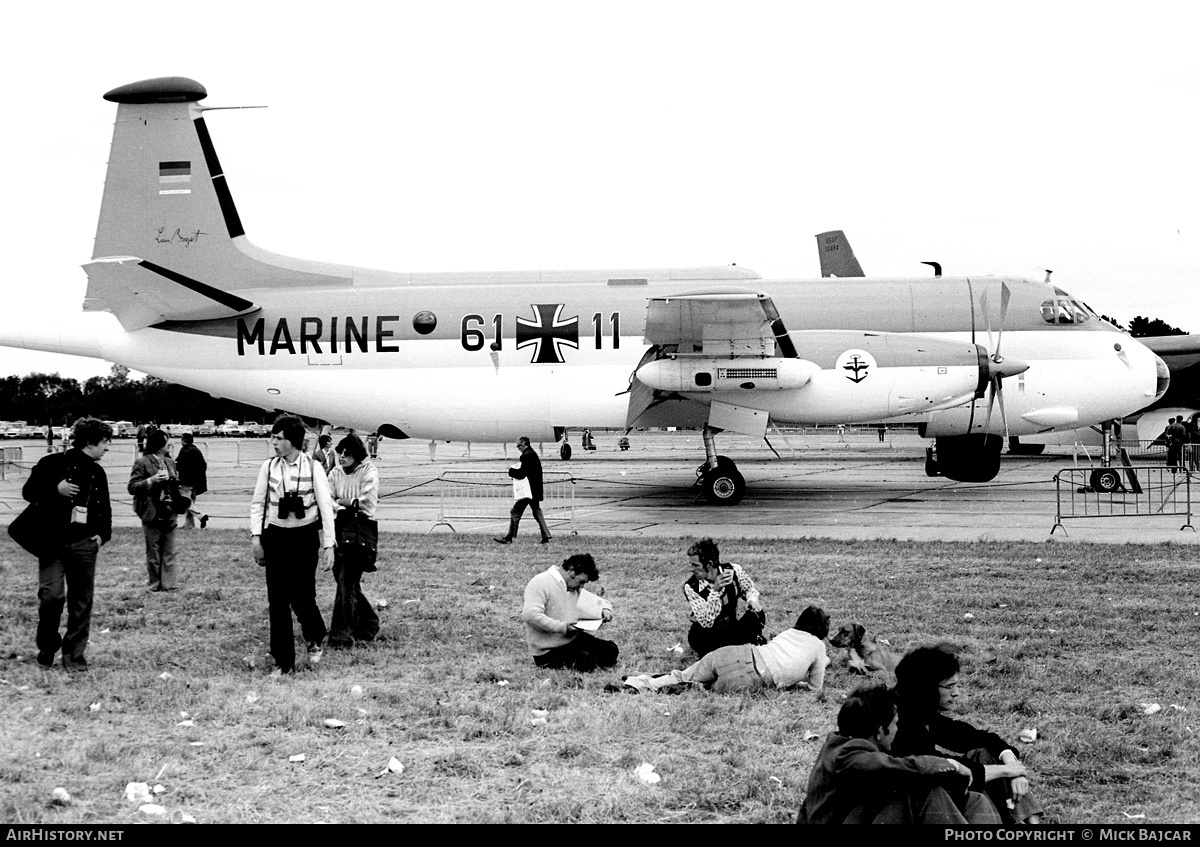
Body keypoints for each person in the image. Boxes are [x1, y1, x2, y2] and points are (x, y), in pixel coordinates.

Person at [797, 683, 1002, 824]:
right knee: (924, 792)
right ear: (880, 732)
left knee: (974, 801)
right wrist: (954, 765)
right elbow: (901, 767)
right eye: (895, 724)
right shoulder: (848, 755)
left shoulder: (839, 744)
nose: (897, 730)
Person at [891, 643, 1044, 824]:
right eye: (950, 686)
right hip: (906, 802)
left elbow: (976, 737)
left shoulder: (919, 710)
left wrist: (1012, 766)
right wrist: (1006, 771)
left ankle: (1032, 823)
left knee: (985, 753)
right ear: (926, 687)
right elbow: (942, 766)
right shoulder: (896, 720)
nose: (956, 693)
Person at [23, 417, 113, 672]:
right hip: (52, 544)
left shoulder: (97, 471)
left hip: (85, 545)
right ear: (90, 442)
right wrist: (56, 489)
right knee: (51, 597)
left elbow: (104, 507)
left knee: (81, 603)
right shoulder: (51, 463)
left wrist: (102, 535)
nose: (107, 448)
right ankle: (48, 646)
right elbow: (28, 493)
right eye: (105, 442)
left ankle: (74, 657)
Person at [250, 414, 336, 675]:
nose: (274, 442)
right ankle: (282, 661)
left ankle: (315, 637)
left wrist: (328, 545)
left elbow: (325, 506)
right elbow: (257, 504)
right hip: (276, 536)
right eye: (273, 437)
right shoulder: (269, 467)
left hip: (304, 537)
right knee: (277, 601)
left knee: (302, 597)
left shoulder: (313, 468)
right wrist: (256, 537)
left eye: (279, 438)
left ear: (292, 441)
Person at [623, 605, 830, 695]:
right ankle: (682, 687)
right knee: (703, 687)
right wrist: (799, 680)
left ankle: (642, 682)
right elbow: (815, 687)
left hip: (739, 651)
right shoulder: (818, 647)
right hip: (753, 676)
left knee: (686, 674)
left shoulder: (788, 633)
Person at [326, 433, 380, 649]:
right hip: (338, 530)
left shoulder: (369, 471)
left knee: (347, 581)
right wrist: (345, 505)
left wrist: (340, 503)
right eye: (341, 453)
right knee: (344, 581)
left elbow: (367, 503)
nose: (343, 458)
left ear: (357, 456)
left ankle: (340, 636)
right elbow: (326, 499)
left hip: (359, 532)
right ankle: (368, 622)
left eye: (348, 454)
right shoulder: (334, 473)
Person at [521, 553, 617, 671]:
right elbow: (530, 615)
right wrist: (561, 627)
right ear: (571, 570)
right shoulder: (540, 582)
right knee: (586, 661)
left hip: (571, 639)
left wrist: (605, 610)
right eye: (581, 581)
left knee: (610, 649)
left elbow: (598, 602)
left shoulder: (572, 587)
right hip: (547, 649)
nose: (581, 586)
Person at [682, 537, 765, 657]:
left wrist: (751, 600)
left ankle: (739, 646)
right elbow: (706, 622)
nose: (691, 569)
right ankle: (739, 647)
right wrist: (715, 592)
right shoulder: (691, 586)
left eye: (695, 565)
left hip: (731, 627)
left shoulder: (733, 570)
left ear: (709, 564)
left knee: (757, 614)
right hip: (707, 635)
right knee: (706, 642)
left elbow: (749, 589)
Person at [129, 429, 180, 591]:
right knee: (153, 552)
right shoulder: (142, 462)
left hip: (169, 511)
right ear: (159, 446)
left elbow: (176, 483)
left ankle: (169, 584)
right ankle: (154, 584)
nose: (170, 445)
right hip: (152, 512)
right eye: (167, 442)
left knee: (169, 551)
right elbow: (132, 487)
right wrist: (151, 480)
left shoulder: (170, 462)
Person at [494, 435, 551, 545]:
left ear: (525, 445)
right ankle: (546, 536)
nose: (518, 448)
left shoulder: (526, 456)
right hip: (534, 490)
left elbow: (521, 474)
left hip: (527, 491)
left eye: (519, 446)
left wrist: (511, 471)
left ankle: (509, 537)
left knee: (515, 512)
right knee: (537, 512)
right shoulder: (532, 454)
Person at [175, 432, 209, 529]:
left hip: (186, 482)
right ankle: (189, 524)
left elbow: (179, 465)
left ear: (184, 441)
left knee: (186, 502)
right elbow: (204, 465)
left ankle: (201, 516)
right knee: (191, 502)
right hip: (197, 482)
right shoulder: (197, 451)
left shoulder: (184, 450)